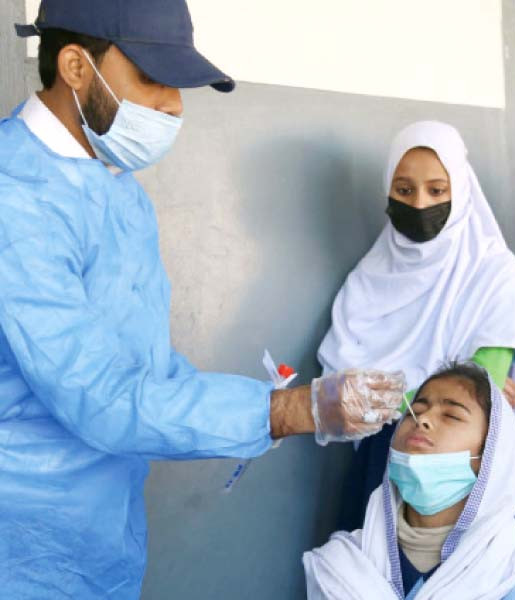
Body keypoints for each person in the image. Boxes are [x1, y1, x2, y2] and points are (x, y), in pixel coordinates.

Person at [0, 2, 404, 598]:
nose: (173, 106)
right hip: (24, 538)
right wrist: (290, 411)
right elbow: (102, 397)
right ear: (75, 67)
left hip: (101, 534)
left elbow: (148, 374)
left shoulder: (116, 191)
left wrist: (279, 403)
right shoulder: (17, 196)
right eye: (154, 79)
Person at [318, 120, 515, 530]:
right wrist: (424, 395)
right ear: (387, 193)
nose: (420, 203)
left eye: (437, 189)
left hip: (458, 469)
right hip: (379, 466)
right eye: (404, 190)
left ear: (460, 191)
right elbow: (331, 401)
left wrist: (380, 399)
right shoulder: (366, 280)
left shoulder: (495, 274)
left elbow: (478, 389)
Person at [304, 362, 515, 599]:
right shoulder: (343, 565)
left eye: (451, 416)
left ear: (492, 456)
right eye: (414, 412)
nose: (422, 420)